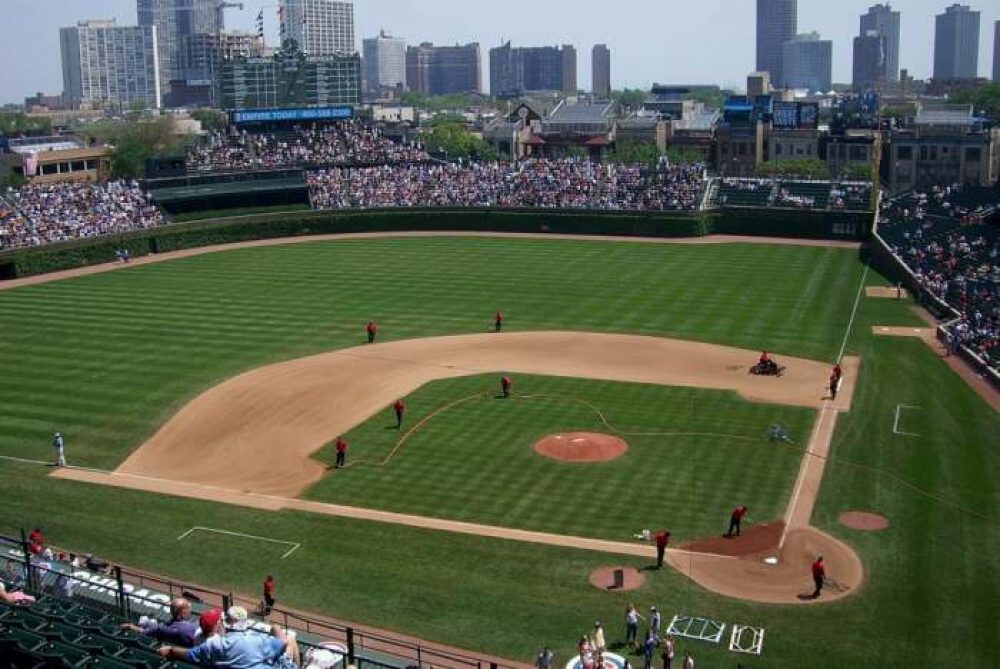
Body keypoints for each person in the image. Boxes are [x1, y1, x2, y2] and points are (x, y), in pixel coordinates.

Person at [159, 605, 297, 667]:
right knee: (290, 640)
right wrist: (276, 628)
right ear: (245, 624)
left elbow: (190, 654)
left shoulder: (213, 644)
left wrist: (171, 650)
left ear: (225, 623)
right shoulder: (257, 641)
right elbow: (283, 642)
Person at [121, 597, 197, 647]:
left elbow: (143, 631)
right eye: (188, 609)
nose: (189, 611)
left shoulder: (161, 628)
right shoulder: (191, 628)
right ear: (183, 613)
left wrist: (130, 626)